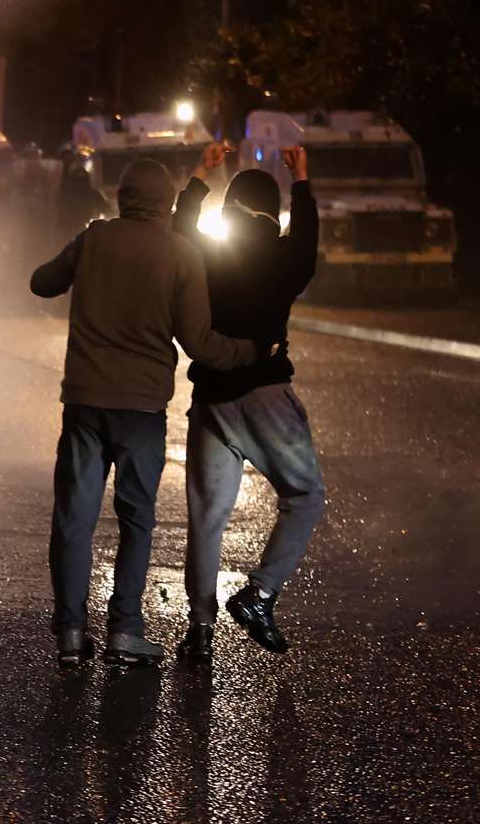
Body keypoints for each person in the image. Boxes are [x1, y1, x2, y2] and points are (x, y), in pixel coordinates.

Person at [30, 158, 261, 668]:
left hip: (85, 403)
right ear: (166, 202)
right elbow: (200, 342)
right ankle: (124, 632)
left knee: (73, 520)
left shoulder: (94, 239)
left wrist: (78, 261)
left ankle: (70, 632)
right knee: (136, 520)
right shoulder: (182, 253)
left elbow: (41, 283)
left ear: (121, 196)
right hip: (141, 411)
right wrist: (251, 352)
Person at [173, 143, 323, 661]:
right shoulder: (283, 259)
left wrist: (200, 175)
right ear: (271, 210)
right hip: (264, 394)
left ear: (229, 207)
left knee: (207, 517)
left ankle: (199, 626)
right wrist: (301, 182)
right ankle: (259, 595)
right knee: (304, 496)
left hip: (210, 397)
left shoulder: (206, 256)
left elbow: (181, 229)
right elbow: (307, 246)